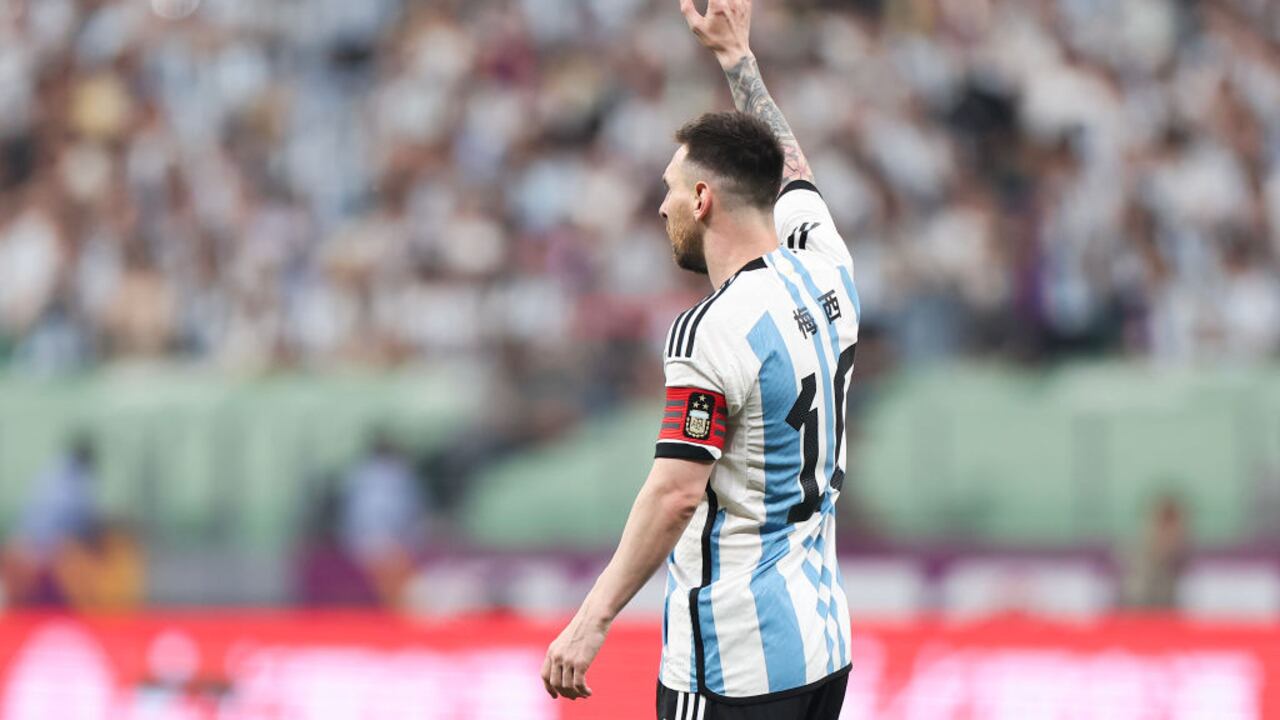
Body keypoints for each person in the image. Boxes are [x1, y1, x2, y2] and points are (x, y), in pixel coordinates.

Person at [541, 1, 858, 717]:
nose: (662, 209)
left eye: (671, 191)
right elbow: (793, 165)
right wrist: (736, 58)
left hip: (732, 666)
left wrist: (590, 619)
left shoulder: (709, 331)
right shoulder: (829, 270)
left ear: (705, 199)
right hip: (822, 644)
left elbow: (676, 493)